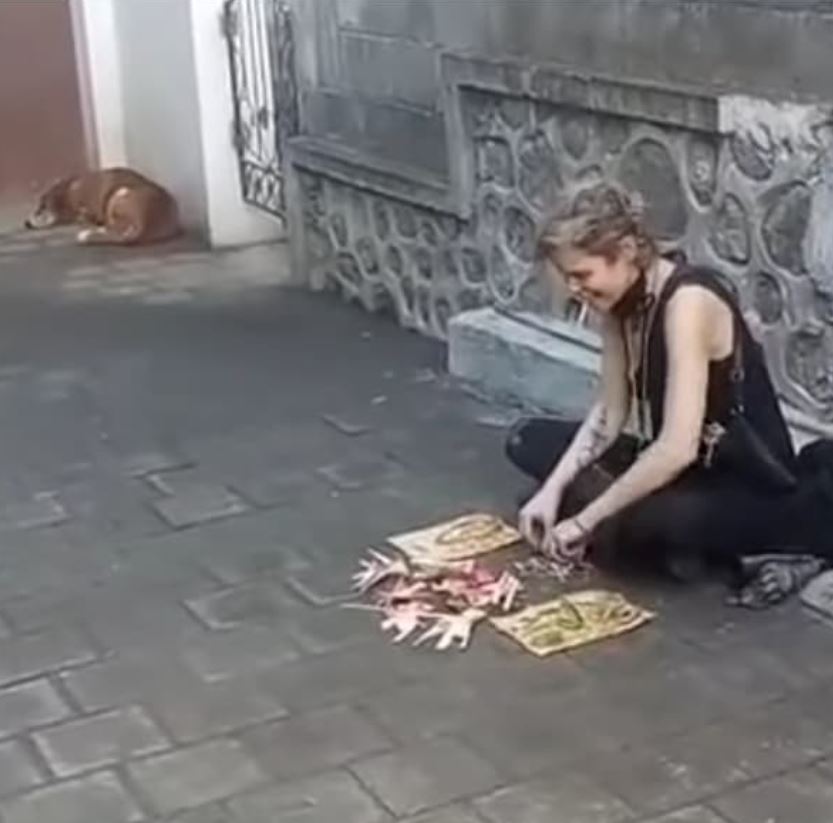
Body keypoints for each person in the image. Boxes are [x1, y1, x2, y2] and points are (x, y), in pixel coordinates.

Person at [506, 180, 825, 605]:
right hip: (687, 469)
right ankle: (666, 544)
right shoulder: (620, 303)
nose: (575, 290)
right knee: (528, 440)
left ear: (623, 252)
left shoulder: (688, 302)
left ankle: (783, 547)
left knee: (650, 520)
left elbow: (676, 447)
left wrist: (583, 521)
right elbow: (609, 417)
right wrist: (553, 492)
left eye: (581, 275)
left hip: (742, 476)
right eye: (568, 278)